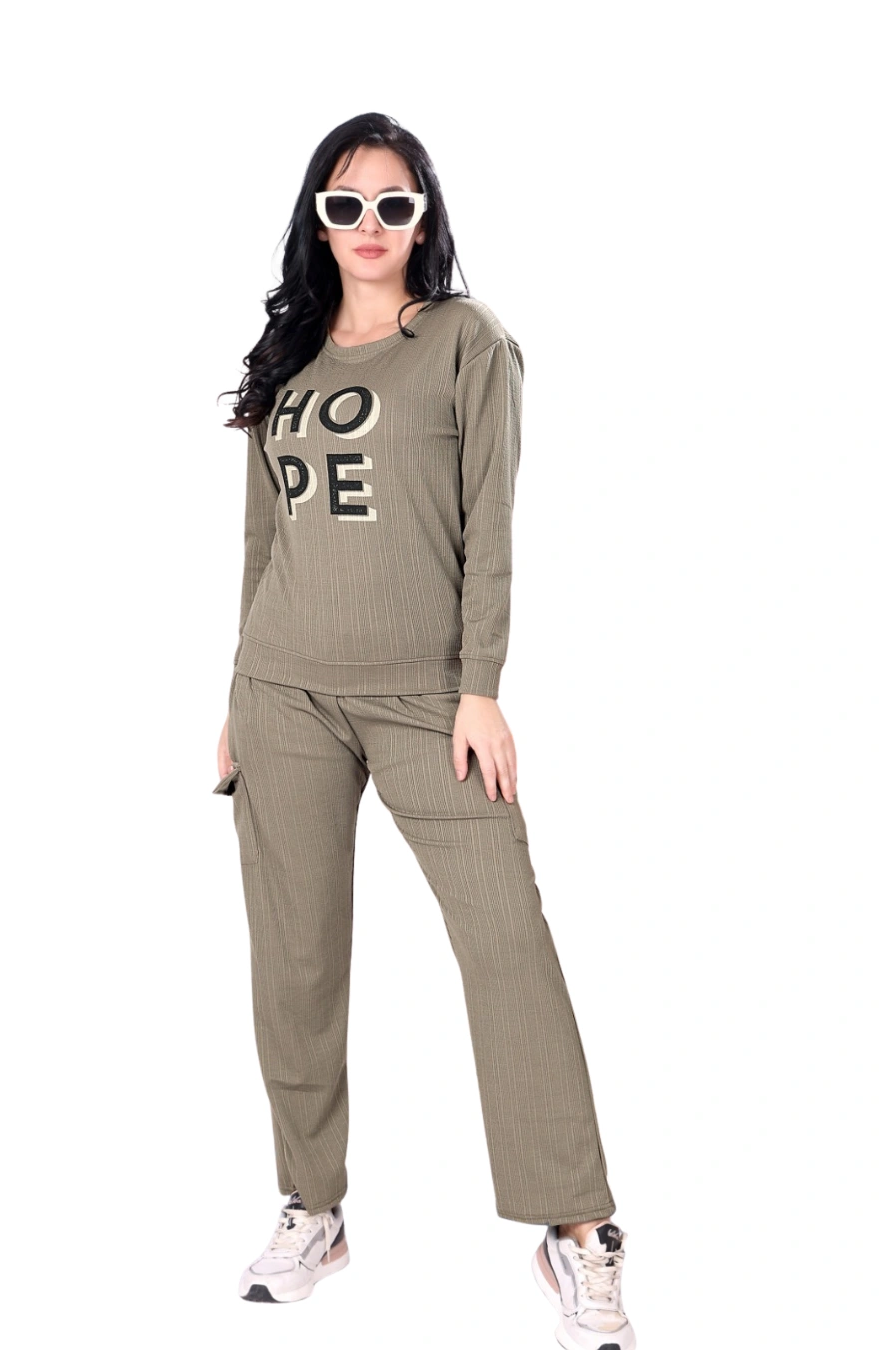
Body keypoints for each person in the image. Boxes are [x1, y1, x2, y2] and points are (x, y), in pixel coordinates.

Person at [213, 112, 636, 1350]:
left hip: (428, 698)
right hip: (283, 693)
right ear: (316, 218)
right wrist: (236, 692)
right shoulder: (286, 357)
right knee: (295, 960)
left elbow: (489, 522)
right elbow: (263, 538)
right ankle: (313, 1207)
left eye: (392, 205)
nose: (369, 227)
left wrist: (481, 684)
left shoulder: (467, 340)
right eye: (344, 205)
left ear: (423, 217)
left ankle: (579, 1228)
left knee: (508, 946)